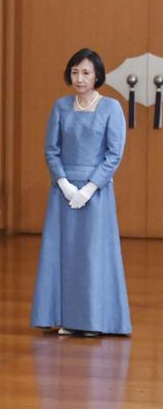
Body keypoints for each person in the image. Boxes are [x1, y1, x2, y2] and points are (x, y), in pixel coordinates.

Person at [31, 48, 131, 337]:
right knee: (63, 253)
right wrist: (63, 183)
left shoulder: (111, 107)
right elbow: (51, 150)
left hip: (94, 193)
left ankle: (92, 321)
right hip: (63, 192)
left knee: (92, 254)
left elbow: (114, 154)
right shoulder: (60, 107)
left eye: (86, 72)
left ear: (97, 75)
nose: (79, 77)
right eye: (75, 71)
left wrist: (89, 188)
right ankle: (64, 318)